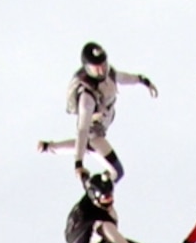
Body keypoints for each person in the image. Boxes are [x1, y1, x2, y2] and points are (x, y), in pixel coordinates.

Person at [39, 40, 155, 179]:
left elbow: (123, 78)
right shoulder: (87, 97)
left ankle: (48, 147)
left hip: (102, 126)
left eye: (103, 65)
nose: (101, 71)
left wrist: (142, 80)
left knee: (88, 148)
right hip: (94, 133)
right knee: (116, 172)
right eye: (96, 68)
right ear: (88, 69)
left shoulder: (110, 74)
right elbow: (82, 130)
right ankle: (96, 192)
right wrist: (79, 165)